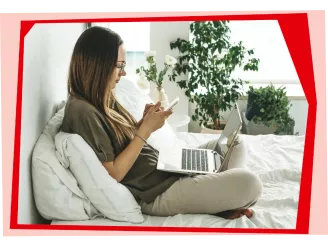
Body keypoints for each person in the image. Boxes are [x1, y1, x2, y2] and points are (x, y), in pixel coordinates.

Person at [61, 26, 263, 220]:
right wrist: (146, 131)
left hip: (163, 168)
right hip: (154, 191)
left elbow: (121, 140)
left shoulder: (101, 95)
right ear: (99, 65)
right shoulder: (82, 112)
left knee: (235, 143)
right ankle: (218, 198)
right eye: (119, 66)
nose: (123, 73)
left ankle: (217, 197)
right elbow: (114, 173)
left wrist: (142, 122)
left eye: (124, 66)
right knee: (251, 184)